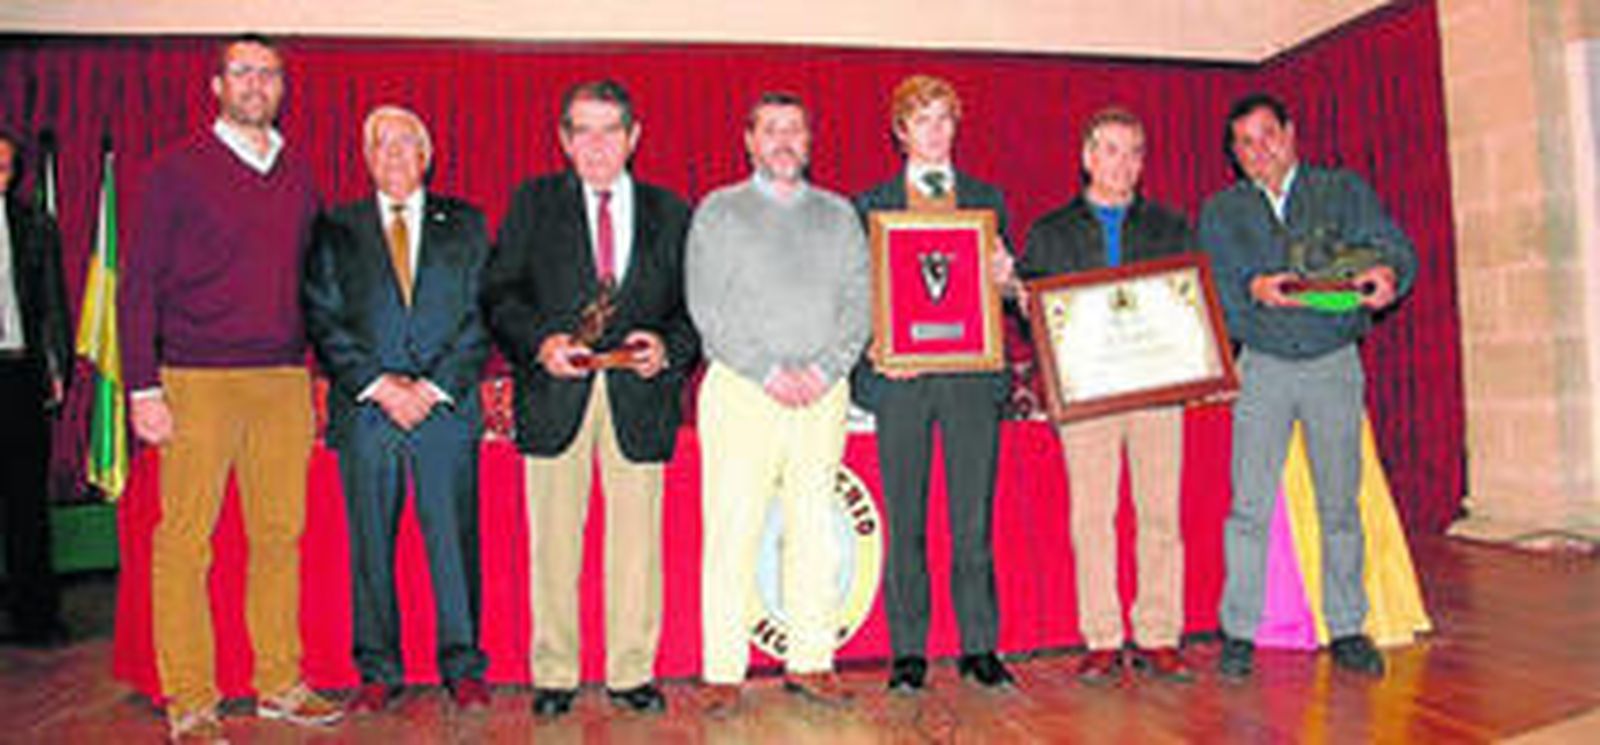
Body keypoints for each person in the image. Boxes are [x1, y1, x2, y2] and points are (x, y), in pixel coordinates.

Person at [120, 34, 341, 741]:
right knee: (186, 542)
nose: (255, 83)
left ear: (282, 87)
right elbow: (138, 285)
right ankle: (191, 698)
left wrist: (322, 372)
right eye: (241, 71)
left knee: (280, 536)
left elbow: (315, 283)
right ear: (216, 86)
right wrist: (142, 387)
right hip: (195, 380)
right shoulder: (174, 170)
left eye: (268, 73)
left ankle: (279, 682)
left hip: (282, 379)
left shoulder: (298, 173)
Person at [482, 80, 696, 718]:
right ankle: (554, 673)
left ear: (634, 137)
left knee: (637, 544)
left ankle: (632, 671)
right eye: (584, 131)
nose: (598, 145)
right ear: (565, 140)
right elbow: (499, 293)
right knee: (553, 541)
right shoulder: (533, 203)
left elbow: (695, 306)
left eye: (610, 130)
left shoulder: (670, 211)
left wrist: (669, 347)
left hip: (639, 395)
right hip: (556, 391)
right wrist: (539, 343)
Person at [1200, 93, 1415, 679]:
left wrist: (1388, 274)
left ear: (1291, 134)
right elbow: (1215, 290)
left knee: (1339, 503)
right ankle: (1238, 632)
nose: (1259, 151)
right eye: (1245, 143)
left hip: (1332, 362)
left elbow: (1392, 246)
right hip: (1261, 366)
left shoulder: (1341, 190)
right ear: (1234, 153)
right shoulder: (1221, 211)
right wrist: (1252, 291)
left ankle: (1347, 626)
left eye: (1267, 136)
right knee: (1248, 506)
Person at [304, 105, 492, 715]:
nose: (393, 154)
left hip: (445, 411)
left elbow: (483, 314)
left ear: (426, 155)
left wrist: (431, 389)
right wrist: (382, 387)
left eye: (405, 142)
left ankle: (463, 666)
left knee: (454, 542)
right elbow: (323, 319)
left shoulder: (466, 224)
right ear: (365, 157)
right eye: (380, 144)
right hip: (368, 413)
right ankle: (378, 669)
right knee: (369, 547)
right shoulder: (335, 227)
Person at [686, 92, 870, 712]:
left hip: (822, 392)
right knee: (731, 529)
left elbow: (860, 303)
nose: (784, 140)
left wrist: (824, 369)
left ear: (809, 140)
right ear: (750, 140)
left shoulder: (839, 215)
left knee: (814, 530)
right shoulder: (718, 211)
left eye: (795, 129)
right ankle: (722, 670)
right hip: (742, 389)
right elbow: (706, 306)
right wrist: (767, 371)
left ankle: (812, 661)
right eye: (771, 129)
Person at [1019, 107, 1195, 684]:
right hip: (1087, 394)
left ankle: (1159, 634)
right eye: (1111, 150)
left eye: (1134, 152)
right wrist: (1020, 297)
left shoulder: (1171, 228)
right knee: (1092, 517)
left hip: (1156, 391)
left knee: (1160, 514)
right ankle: (1102, 638)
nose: (1123, 163)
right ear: (1088, 157)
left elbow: (1191, 306)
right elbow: (1034, 311)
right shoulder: (1050, 232)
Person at [852, 75, 1015, 693]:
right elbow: (856, 294)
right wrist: (875, 347)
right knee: (906, 518)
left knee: (973, 519)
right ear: (901, 131)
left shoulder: (987, 199)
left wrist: (1007, 278)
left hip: (971, 377)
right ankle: (909, 652)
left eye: (945, 118)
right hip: (903, 380)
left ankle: (979, 646)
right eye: (923, 119)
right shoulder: (868, 205)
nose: (936, 131)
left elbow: (1006, 293)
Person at [0, 128, 70, 647]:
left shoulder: (35, 225)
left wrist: (57, 366)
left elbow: (52, 302)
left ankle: (35, 615)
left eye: (4, 167)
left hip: (18, 374)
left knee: (26, 500)